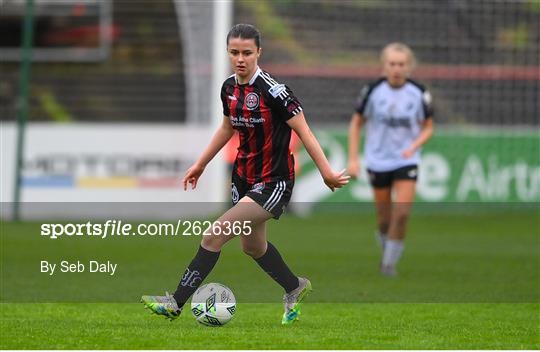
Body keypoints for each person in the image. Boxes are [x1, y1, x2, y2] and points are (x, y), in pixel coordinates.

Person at [142, 24, 349, 324]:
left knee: (213, 236)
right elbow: (227, 127)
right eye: (234, 52)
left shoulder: (274, 91)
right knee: (252, 246)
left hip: (273, 181)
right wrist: (201, 163)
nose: (240, 58)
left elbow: (304, 130)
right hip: (243, 178)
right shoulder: (228, 87)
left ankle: (175, 302)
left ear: (259, 53)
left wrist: (326, 172)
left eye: (247, 53)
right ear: (228, 52)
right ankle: (294, 286)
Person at [347, 42, 434, 277]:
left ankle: (388, 265)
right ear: (384, 66)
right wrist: (353, 159)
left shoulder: (419, 92)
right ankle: (388, 254)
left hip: (407, 160)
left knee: (402, 213)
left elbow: (428, 127)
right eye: (392, 64)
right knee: (384, 219)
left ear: (409, 67)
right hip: (378, 160)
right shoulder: (373, 90)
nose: (397, 68)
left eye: (401, 64)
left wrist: (414, 146)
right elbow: (356, 123)